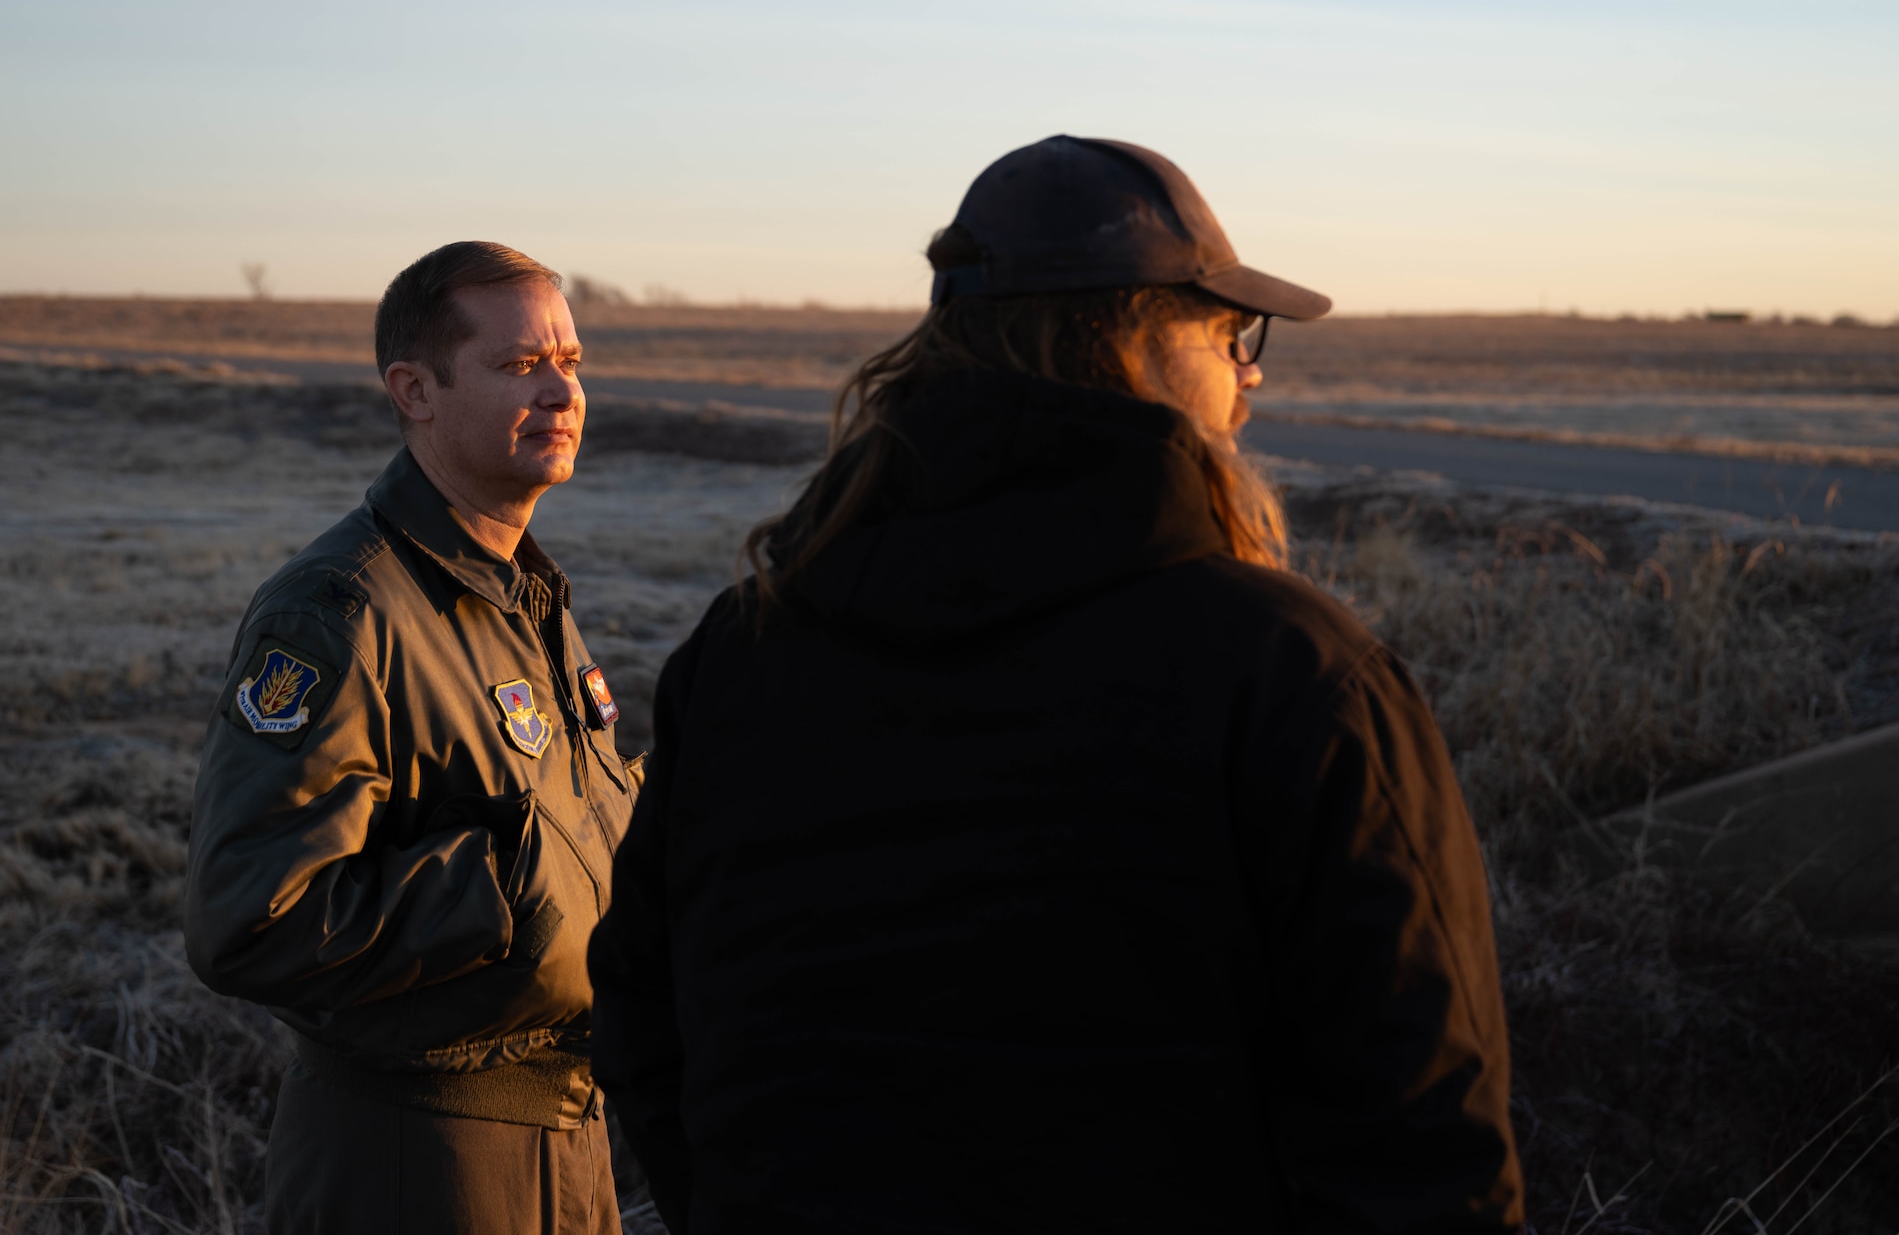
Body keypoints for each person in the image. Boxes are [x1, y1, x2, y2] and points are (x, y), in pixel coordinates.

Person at [589, 135, 1525, 1232]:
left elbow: (645, 1024)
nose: (1249, 372)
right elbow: (1423, 1134)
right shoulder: (1290, 672)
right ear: (1133, 341)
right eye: (1231, 330)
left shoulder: (742, 651)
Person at [184, 241, 640, 1234]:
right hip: (417, 1160)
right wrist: (524, 890)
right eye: (519, 364)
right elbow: (252, 914)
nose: (564, 390)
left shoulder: (520, 592)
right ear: (414, 389)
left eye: (570, 360)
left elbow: (554, 818)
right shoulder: (342, 609)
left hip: (564, 1135)